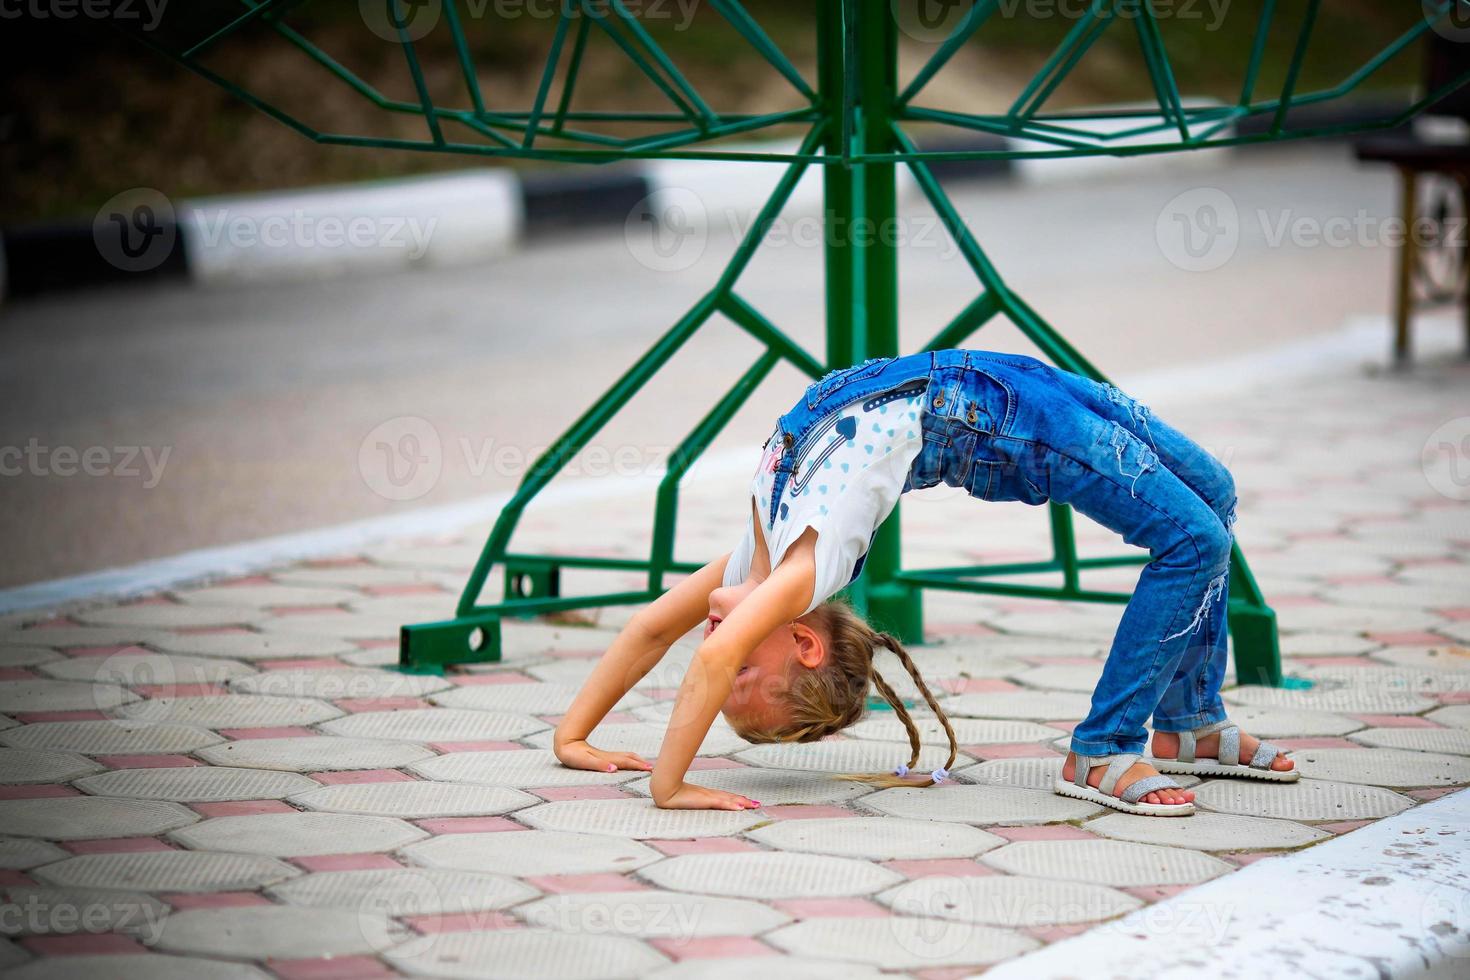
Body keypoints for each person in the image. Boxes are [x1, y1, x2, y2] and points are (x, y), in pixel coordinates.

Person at [553, 349, 1297, 816]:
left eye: (733, 669)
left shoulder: (764, 569)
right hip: (1006, 424)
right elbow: (696, 650)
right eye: (743, 659)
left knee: (1215, 494)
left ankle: (1189, 721)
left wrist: (579, 739)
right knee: (1193, 537)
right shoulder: (807, 576)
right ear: (805, 642)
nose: (715, 645)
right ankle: (1102, 749)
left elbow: (652, 628)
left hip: (1004, 378)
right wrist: (671, 779)